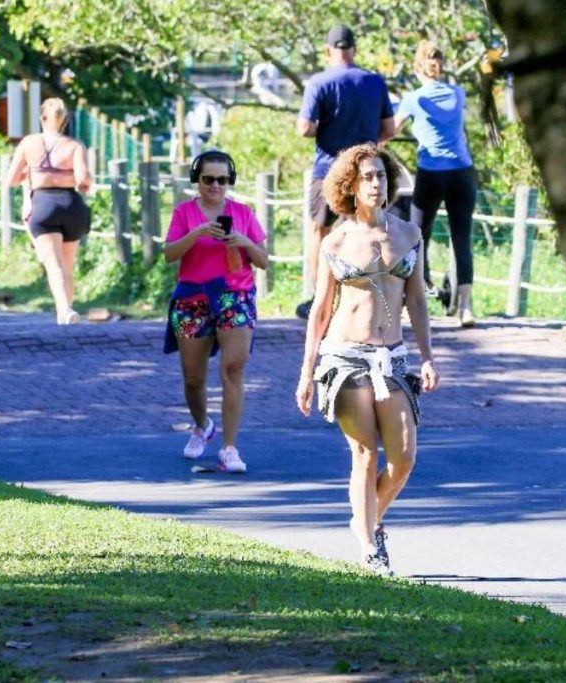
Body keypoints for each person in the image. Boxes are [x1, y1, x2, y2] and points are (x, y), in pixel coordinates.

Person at [295, 143, 439, 575]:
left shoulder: (409, 234)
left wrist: (427, 357)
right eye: (367, 178)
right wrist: (306, 373)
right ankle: (371, 545)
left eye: (381, 176)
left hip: (392, 359)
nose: (376, 184)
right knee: (364, 454)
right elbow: (320, 310)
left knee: (404, 458)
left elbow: (416, 299)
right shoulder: (336, 240)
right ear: (351, 186)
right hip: (345, 359)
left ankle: (365, 519)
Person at [163, 150, 269, 473]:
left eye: (222, 180)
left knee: (233, 369)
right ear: (198, 180)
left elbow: (263, 260)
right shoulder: (184, 213)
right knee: (193, 378)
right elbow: (169, 254)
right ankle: (202, 425)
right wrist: (196, 234)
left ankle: (230, 447)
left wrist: (243, 242)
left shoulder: (243, 213)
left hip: (234, 295)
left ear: (230, 181)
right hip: (193, 296)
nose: (215, 186)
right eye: (208, 179)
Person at [294, 23, 396, 320]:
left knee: (319, 230)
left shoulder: (319, 82)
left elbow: (304, 128)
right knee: (368, 229)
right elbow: (388, 129)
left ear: (328, 50)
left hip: (327, 168)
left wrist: (318, 127)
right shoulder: (374, 81)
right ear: (354, 49)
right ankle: (372, 294)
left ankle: (318, 297)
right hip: (366, 170)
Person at [394, 41, 479, 328]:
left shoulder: (413, 99)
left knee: (416, 237)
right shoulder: (458, 92)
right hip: (462, 174)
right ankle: (465, 308)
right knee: (461, 240)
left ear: (417, 68)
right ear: (441, 67)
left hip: (431, 174)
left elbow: (391, 130)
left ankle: (415, 299)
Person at [3, 97, 92, 325]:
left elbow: (11, 180)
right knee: (67, 265)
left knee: (54, 265)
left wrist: (32, 175)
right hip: (71, 205)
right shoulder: (74, 145)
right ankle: (65, 315)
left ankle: (65, 309)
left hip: (42, 204)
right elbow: (84, 180)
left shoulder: (28, 143)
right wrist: (74, 179)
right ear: (64, 120)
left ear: (42, 118)